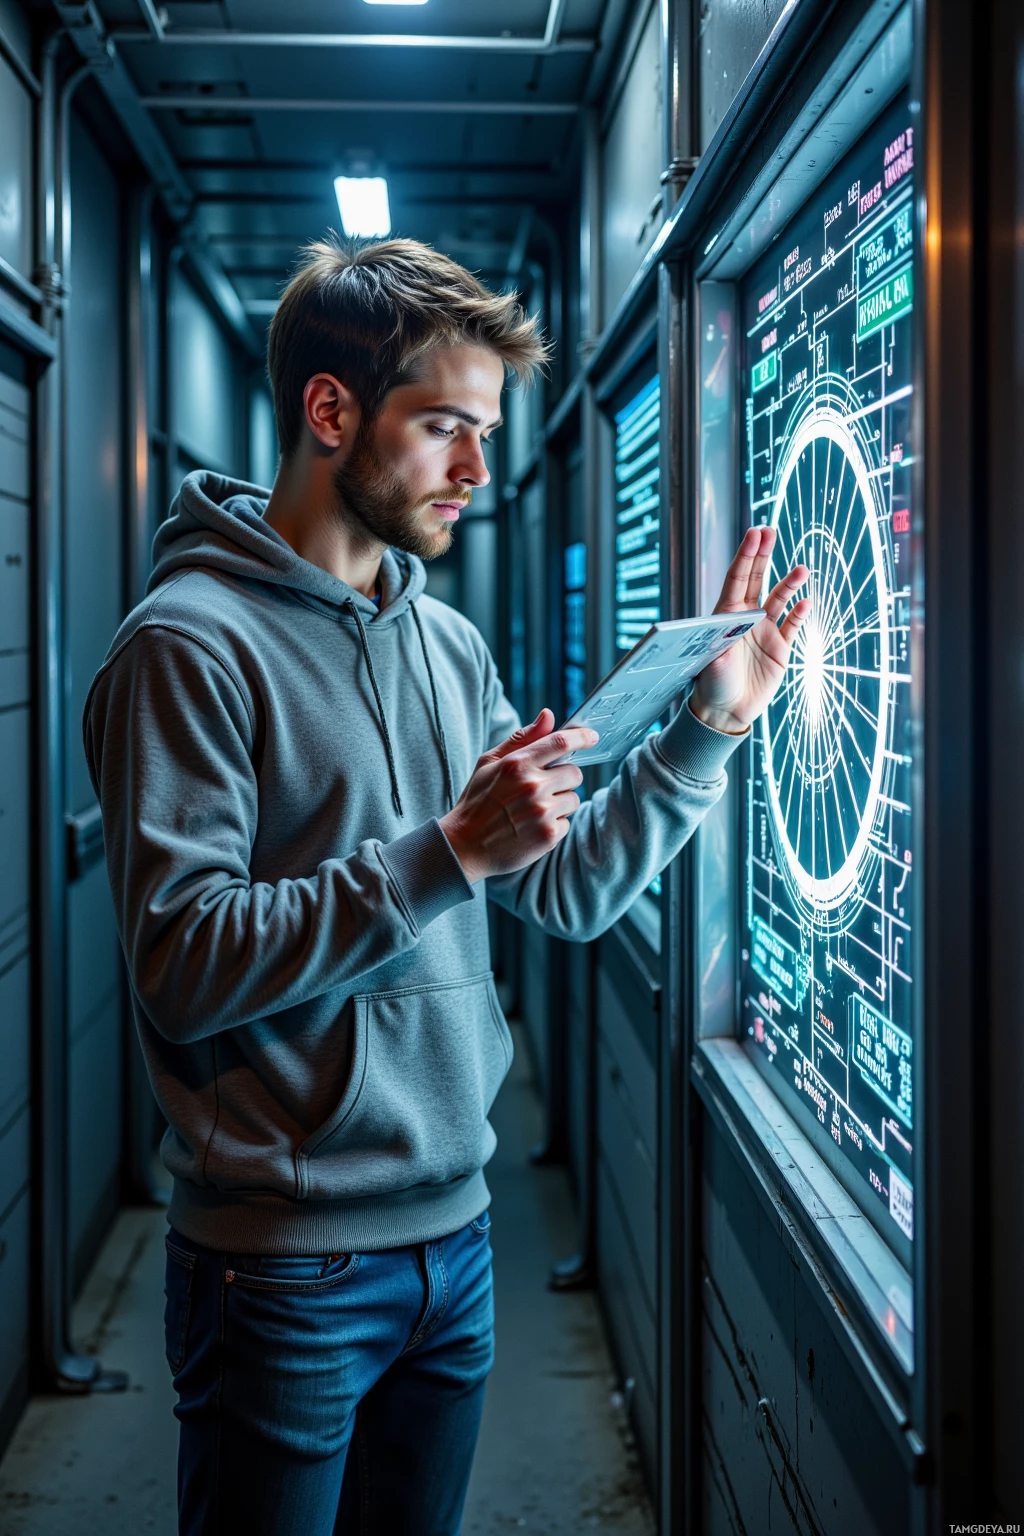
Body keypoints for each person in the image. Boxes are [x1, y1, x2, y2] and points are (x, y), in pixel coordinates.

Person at [83, 237, 809, 1536]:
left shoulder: (445, 640)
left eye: (486, 432)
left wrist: (708, 730)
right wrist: (446, 854)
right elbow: (179, 968)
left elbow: (570, 891)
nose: (478, 470)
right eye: (444, 429)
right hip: (282, 1271)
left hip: (457, 1246)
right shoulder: (187, 647)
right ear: (330, 411)